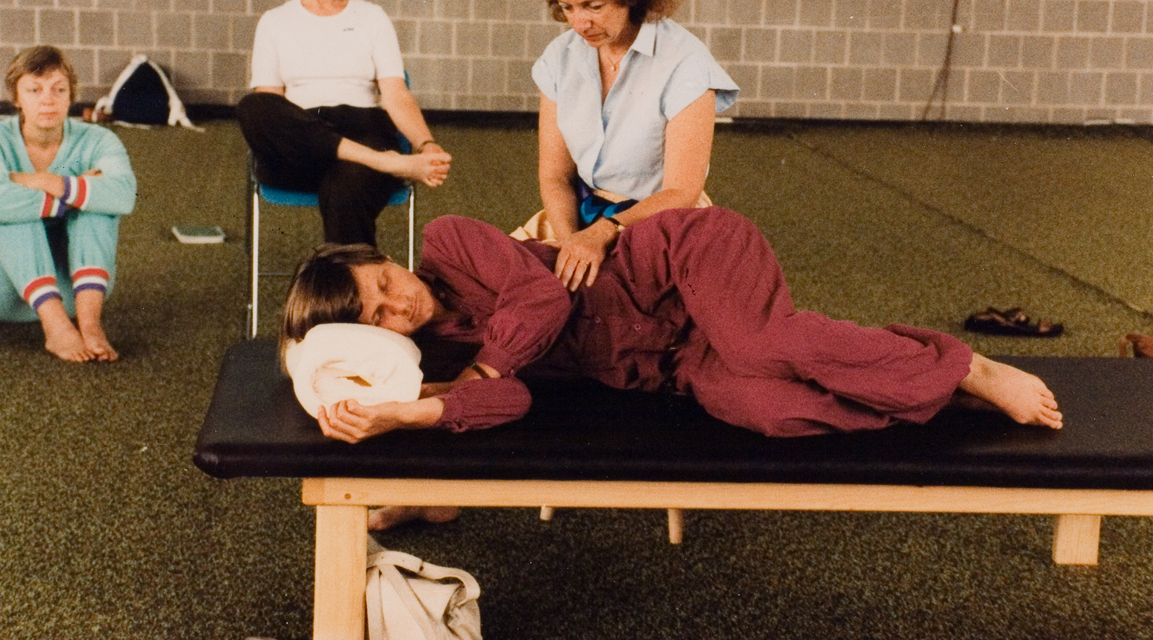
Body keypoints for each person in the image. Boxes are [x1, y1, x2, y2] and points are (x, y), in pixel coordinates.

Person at [283, 207, 1063, 446]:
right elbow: (509, 403)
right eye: (378, 316)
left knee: (765, 342)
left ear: (389, 257)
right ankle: (927, 392)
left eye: (386, 282)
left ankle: (963, 365)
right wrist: (406, 408)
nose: (400, 305)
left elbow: (545, 303)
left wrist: (483, 372)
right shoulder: (430, 360)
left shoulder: (451, 241)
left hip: (680, 265)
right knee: (770, 408)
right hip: (676, 362)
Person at [517, 0, 739, 292]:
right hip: (579, 219)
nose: (580, 22)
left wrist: (604, 232)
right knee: (500, 288)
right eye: (567, 6)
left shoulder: (686, 63)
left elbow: (681, 191)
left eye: (594, 5)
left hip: (662, 223)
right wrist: (570, 242)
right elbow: (554, 176)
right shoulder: (558, 59)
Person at [237, 0, 451, 246]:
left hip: (363, 130)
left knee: (344, 193)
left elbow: (396, 95)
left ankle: (353, 298)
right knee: (254, 106)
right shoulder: (274, 21)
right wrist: (386, 161)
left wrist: (426, 144)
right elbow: (270, 104)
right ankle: (387, 163)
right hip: (302, 143)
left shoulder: (373, 18)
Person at [0, 46, 137, 361]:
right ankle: (55, 327)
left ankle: (90, 325)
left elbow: (123, 195)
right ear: (16, 97)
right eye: (34, 89)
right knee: (20, 211)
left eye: (59, 89)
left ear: (71, 95)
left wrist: (51, 183)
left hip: (75, 292)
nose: (47, 99)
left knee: (99, 208)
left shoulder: (99, 140)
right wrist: (76, 195)